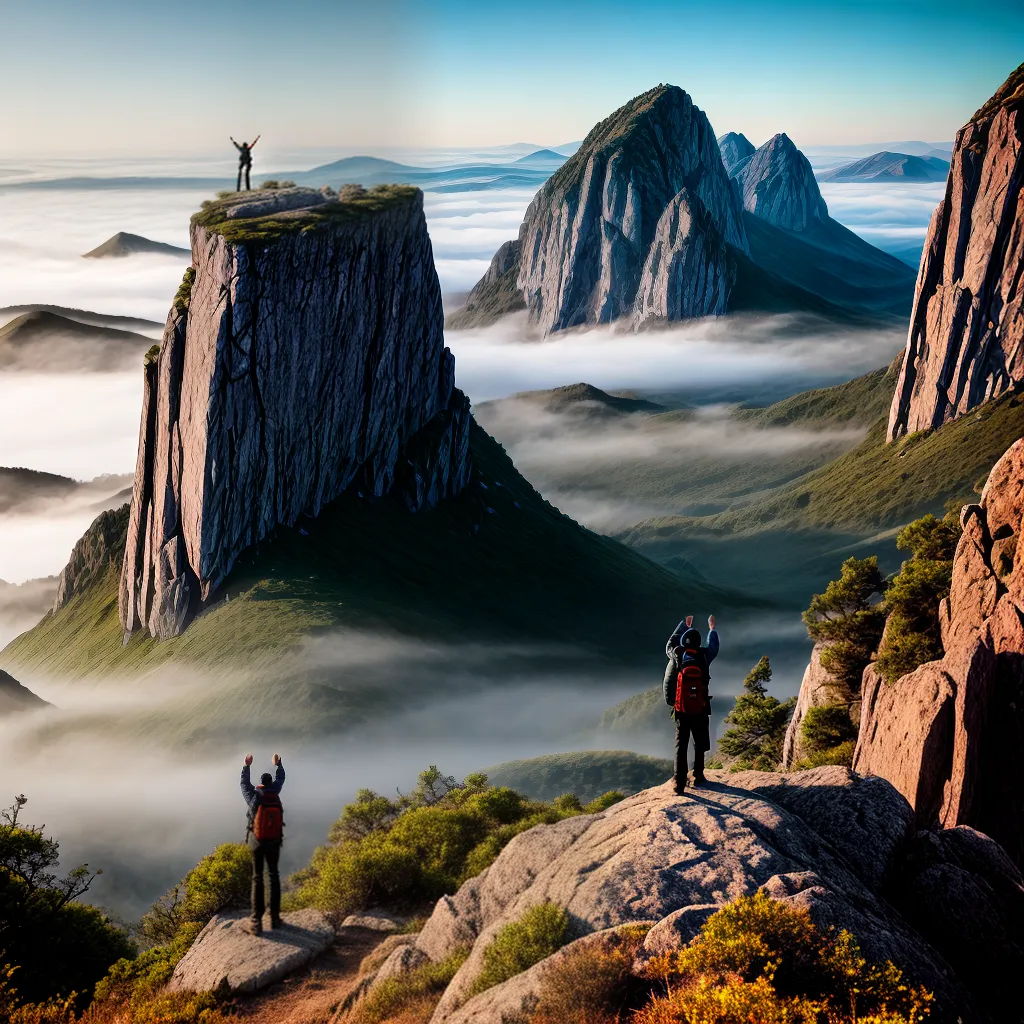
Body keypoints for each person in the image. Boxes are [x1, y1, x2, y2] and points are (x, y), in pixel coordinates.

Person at [663, 614, 719, 794]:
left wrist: (684, 626)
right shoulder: (704, 656)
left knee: (681, 743)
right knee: (699, 740)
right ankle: (698, 775)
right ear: (698, 642)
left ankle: (679, 782)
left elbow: (669, 644)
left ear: (684, 642)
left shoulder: (676, 654)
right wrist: (712, 629)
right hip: (700, 707)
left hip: (681, 708)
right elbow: (714, 647)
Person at [240, 751, 285, 935]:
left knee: (257, 877)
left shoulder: (253, 795)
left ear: (260, 783)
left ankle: (256, 921)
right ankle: (274, 919)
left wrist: (246, 765)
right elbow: (281, 778)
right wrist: (278, 764)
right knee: (273, 875)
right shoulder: (274, 791)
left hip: (256, 840)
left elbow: (243, 784)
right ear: (270, 783)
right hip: (274, 840)